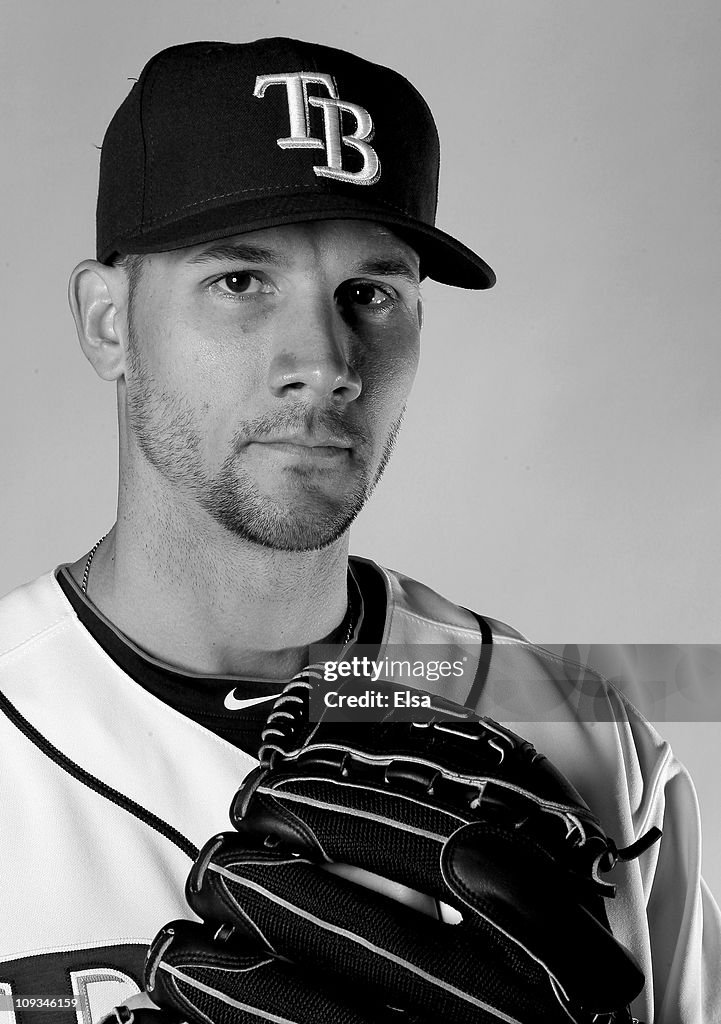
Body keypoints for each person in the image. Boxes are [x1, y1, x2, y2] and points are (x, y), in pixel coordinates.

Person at [0, 36, 718, 1024]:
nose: (325, 360)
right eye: (241, 282)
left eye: (370, 293)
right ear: (108, 322)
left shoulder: (583, 743)